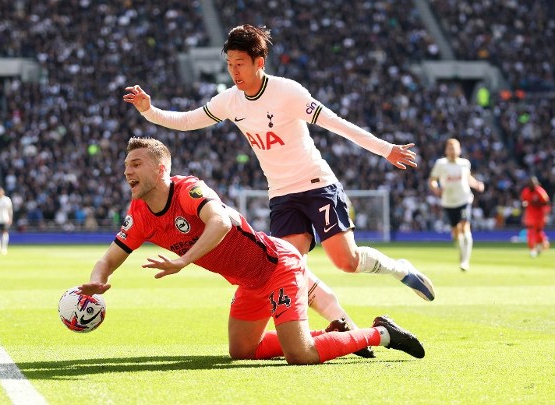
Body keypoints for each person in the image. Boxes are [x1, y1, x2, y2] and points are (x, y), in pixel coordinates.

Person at [123, 25, 435, 318]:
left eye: (241, 63)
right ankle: (339, 321)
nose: (234, 71)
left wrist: (385, 149)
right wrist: (149, 111)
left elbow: (336, 123)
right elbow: (188, 121)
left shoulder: (288, 92)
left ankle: (399, 268)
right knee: (289, 267)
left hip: (317, 184)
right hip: (282, 195)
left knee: (346, 262)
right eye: (230, 64)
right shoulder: (230, 101)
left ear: (259, 61)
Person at [78, 137, 426, 364]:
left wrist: (184, 260)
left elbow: (221, 223)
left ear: (161, 168)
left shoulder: (189, 190)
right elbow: (109, 258)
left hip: (278, 265)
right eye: (126, 166)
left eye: (136, 164)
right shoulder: (139, 214)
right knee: (242, 352)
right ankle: (335, 333)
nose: (127, 171)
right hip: (249, 282)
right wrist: (96, 282)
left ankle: (382, 333)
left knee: (300, 355)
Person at [429, 138, 485, 271]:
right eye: (450, 148)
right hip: (448, 202)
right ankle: (461, 252)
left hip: (464, 200)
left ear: (459, 150)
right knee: (456, 232)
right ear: (446, 150)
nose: (452, 151)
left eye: (455, 148)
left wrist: (477, 184)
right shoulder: (440, 164)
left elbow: (468, 178)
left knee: (465, 227)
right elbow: (432, 180)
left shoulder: (465, 163)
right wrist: (435, 188)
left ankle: (465, 261)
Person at [520, 176, 550, 257]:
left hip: (539, 215)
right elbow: (523, 201)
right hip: (529, 215)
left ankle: (542, 243)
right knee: (530, 231)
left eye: (532, 184)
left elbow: (546, 203)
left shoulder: (540, 191)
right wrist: (524, 205)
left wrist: (535, 204)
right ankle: (533, 248)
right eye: (530, 183)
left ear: (536, 184)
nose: (531, 185)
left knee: (537, 232)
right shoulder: (525, 191)